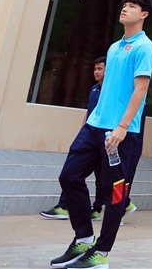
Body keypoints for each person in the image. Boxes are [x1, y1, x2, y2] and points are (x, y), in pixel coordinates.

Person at [50, 0, 152, 269]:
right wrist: (91, 121)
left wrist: (122, 126)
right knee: (69, 176)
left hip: (120, 132)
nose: (125, 8)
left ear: (144, 14)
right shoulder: (114, 48)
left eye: (132, 6)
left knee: (115, 194)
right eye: (124, 4)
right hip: (94, 127)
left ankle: (101, 253)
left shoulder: (144, 47)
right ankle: (84, 237)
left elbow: (141, 89)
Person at [42, 57, 110, 221]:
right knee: (72, 172)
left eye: (100, 69)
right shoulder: (94, 89)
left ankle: (102, 208)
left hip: (104, 138)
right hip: (89, 135)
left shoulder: (111, 91)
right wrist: (83, 130)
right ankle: (64, 207)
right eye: (95, 69)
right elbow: (90, 112)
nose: (96, 72)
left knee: (103, 176)